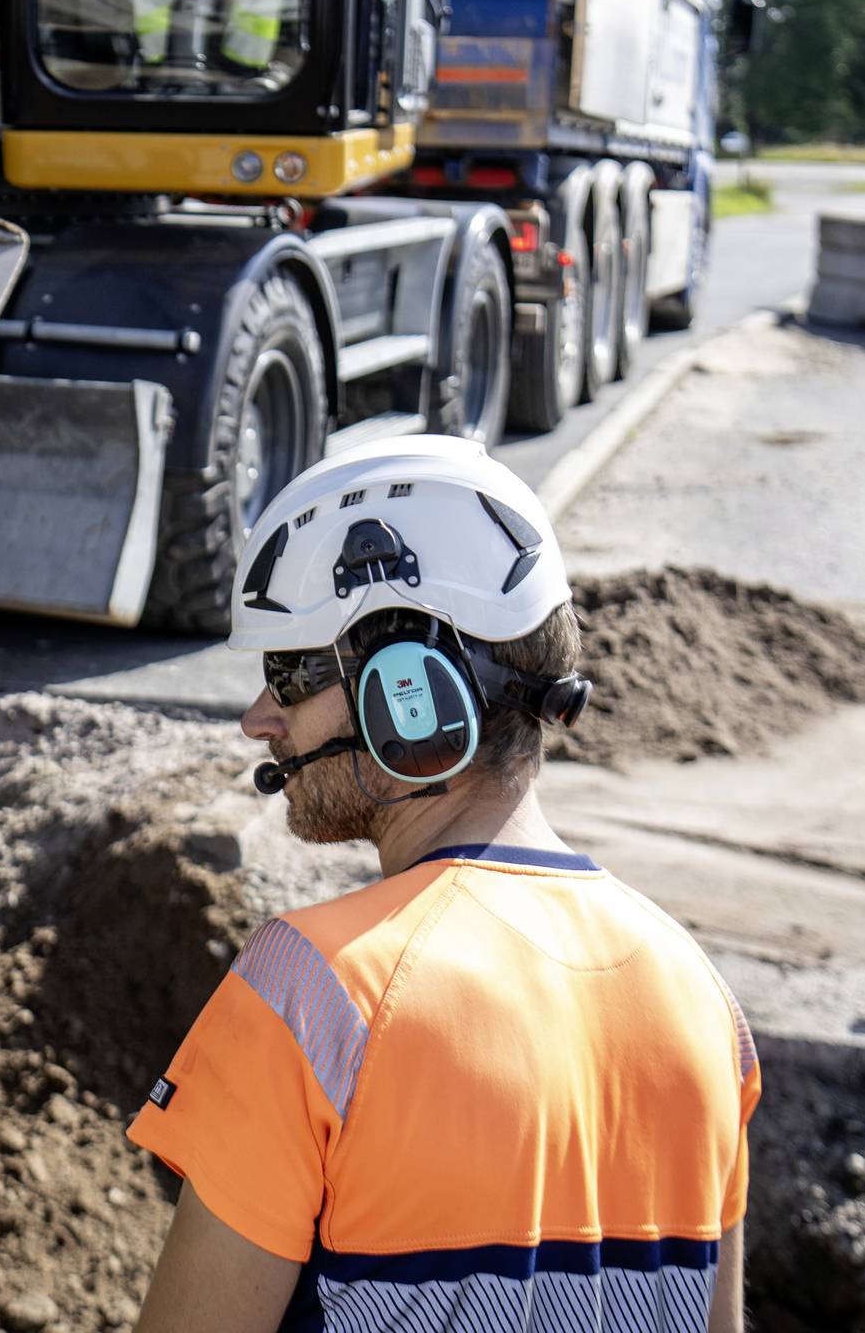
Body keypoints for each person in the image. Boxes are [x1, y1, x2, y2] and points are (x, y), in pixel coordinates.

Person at [127, 436, 757, 1333]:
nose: (258, 718)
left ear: (409, 692)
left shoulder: (310, 996)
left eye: (288, 672)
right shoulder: (703, 999)